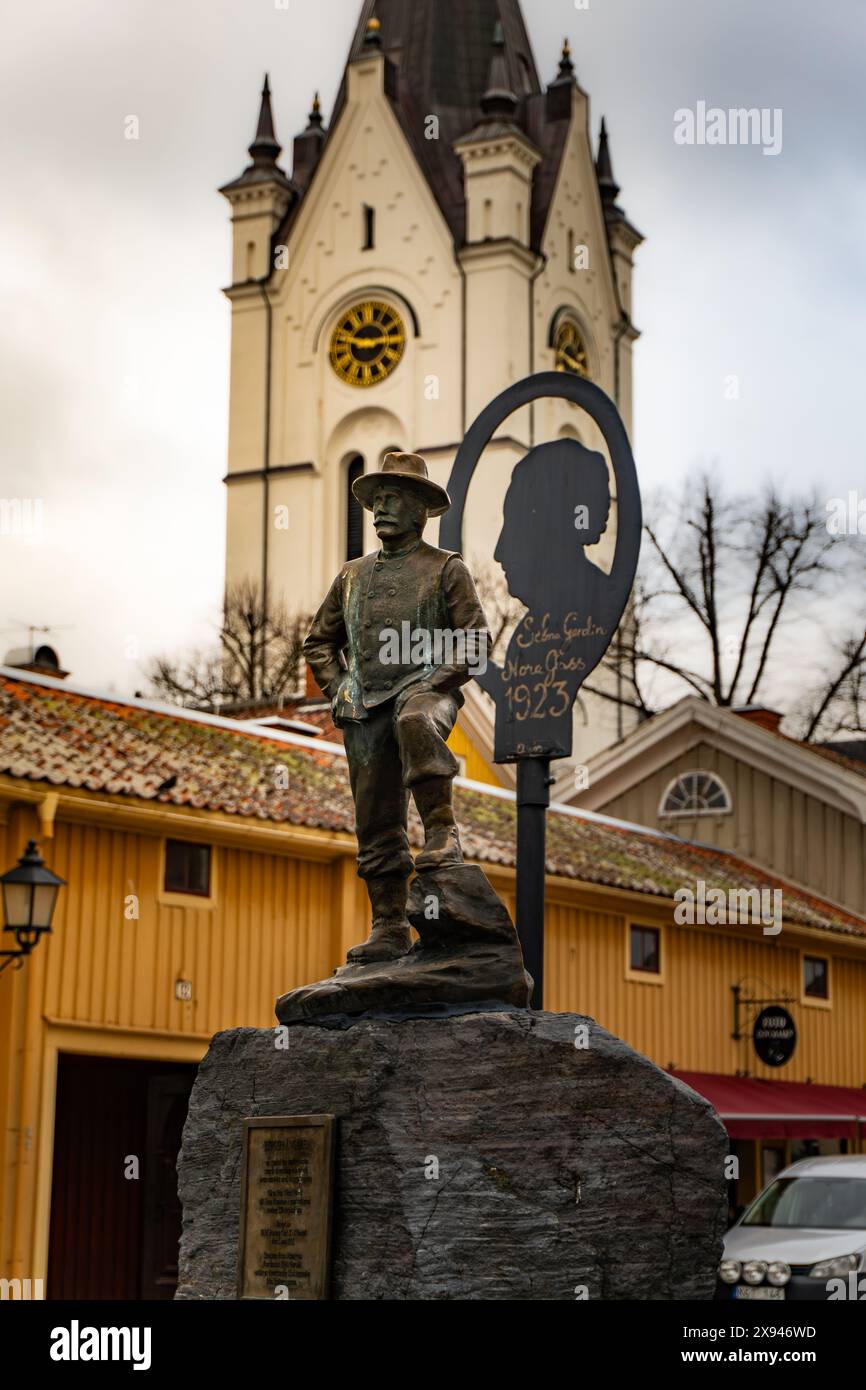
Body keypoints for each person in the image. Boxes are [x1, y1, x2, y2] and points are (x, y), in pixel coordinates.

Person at [303, 452, 489, 963]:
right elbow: (318, 641)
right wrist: (338, 685)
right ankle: (388, 924)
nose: (380, 509)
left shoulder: (447, 569)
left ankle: (442, 831)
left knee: (415, 720)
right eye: (376, 500)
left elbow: (474, 640)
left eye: (392, 499)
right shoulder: (351, 576)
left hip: (427, 689)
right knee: (374, 815)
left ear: (419, 510)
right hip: (365, 704)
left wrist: (435, 680)